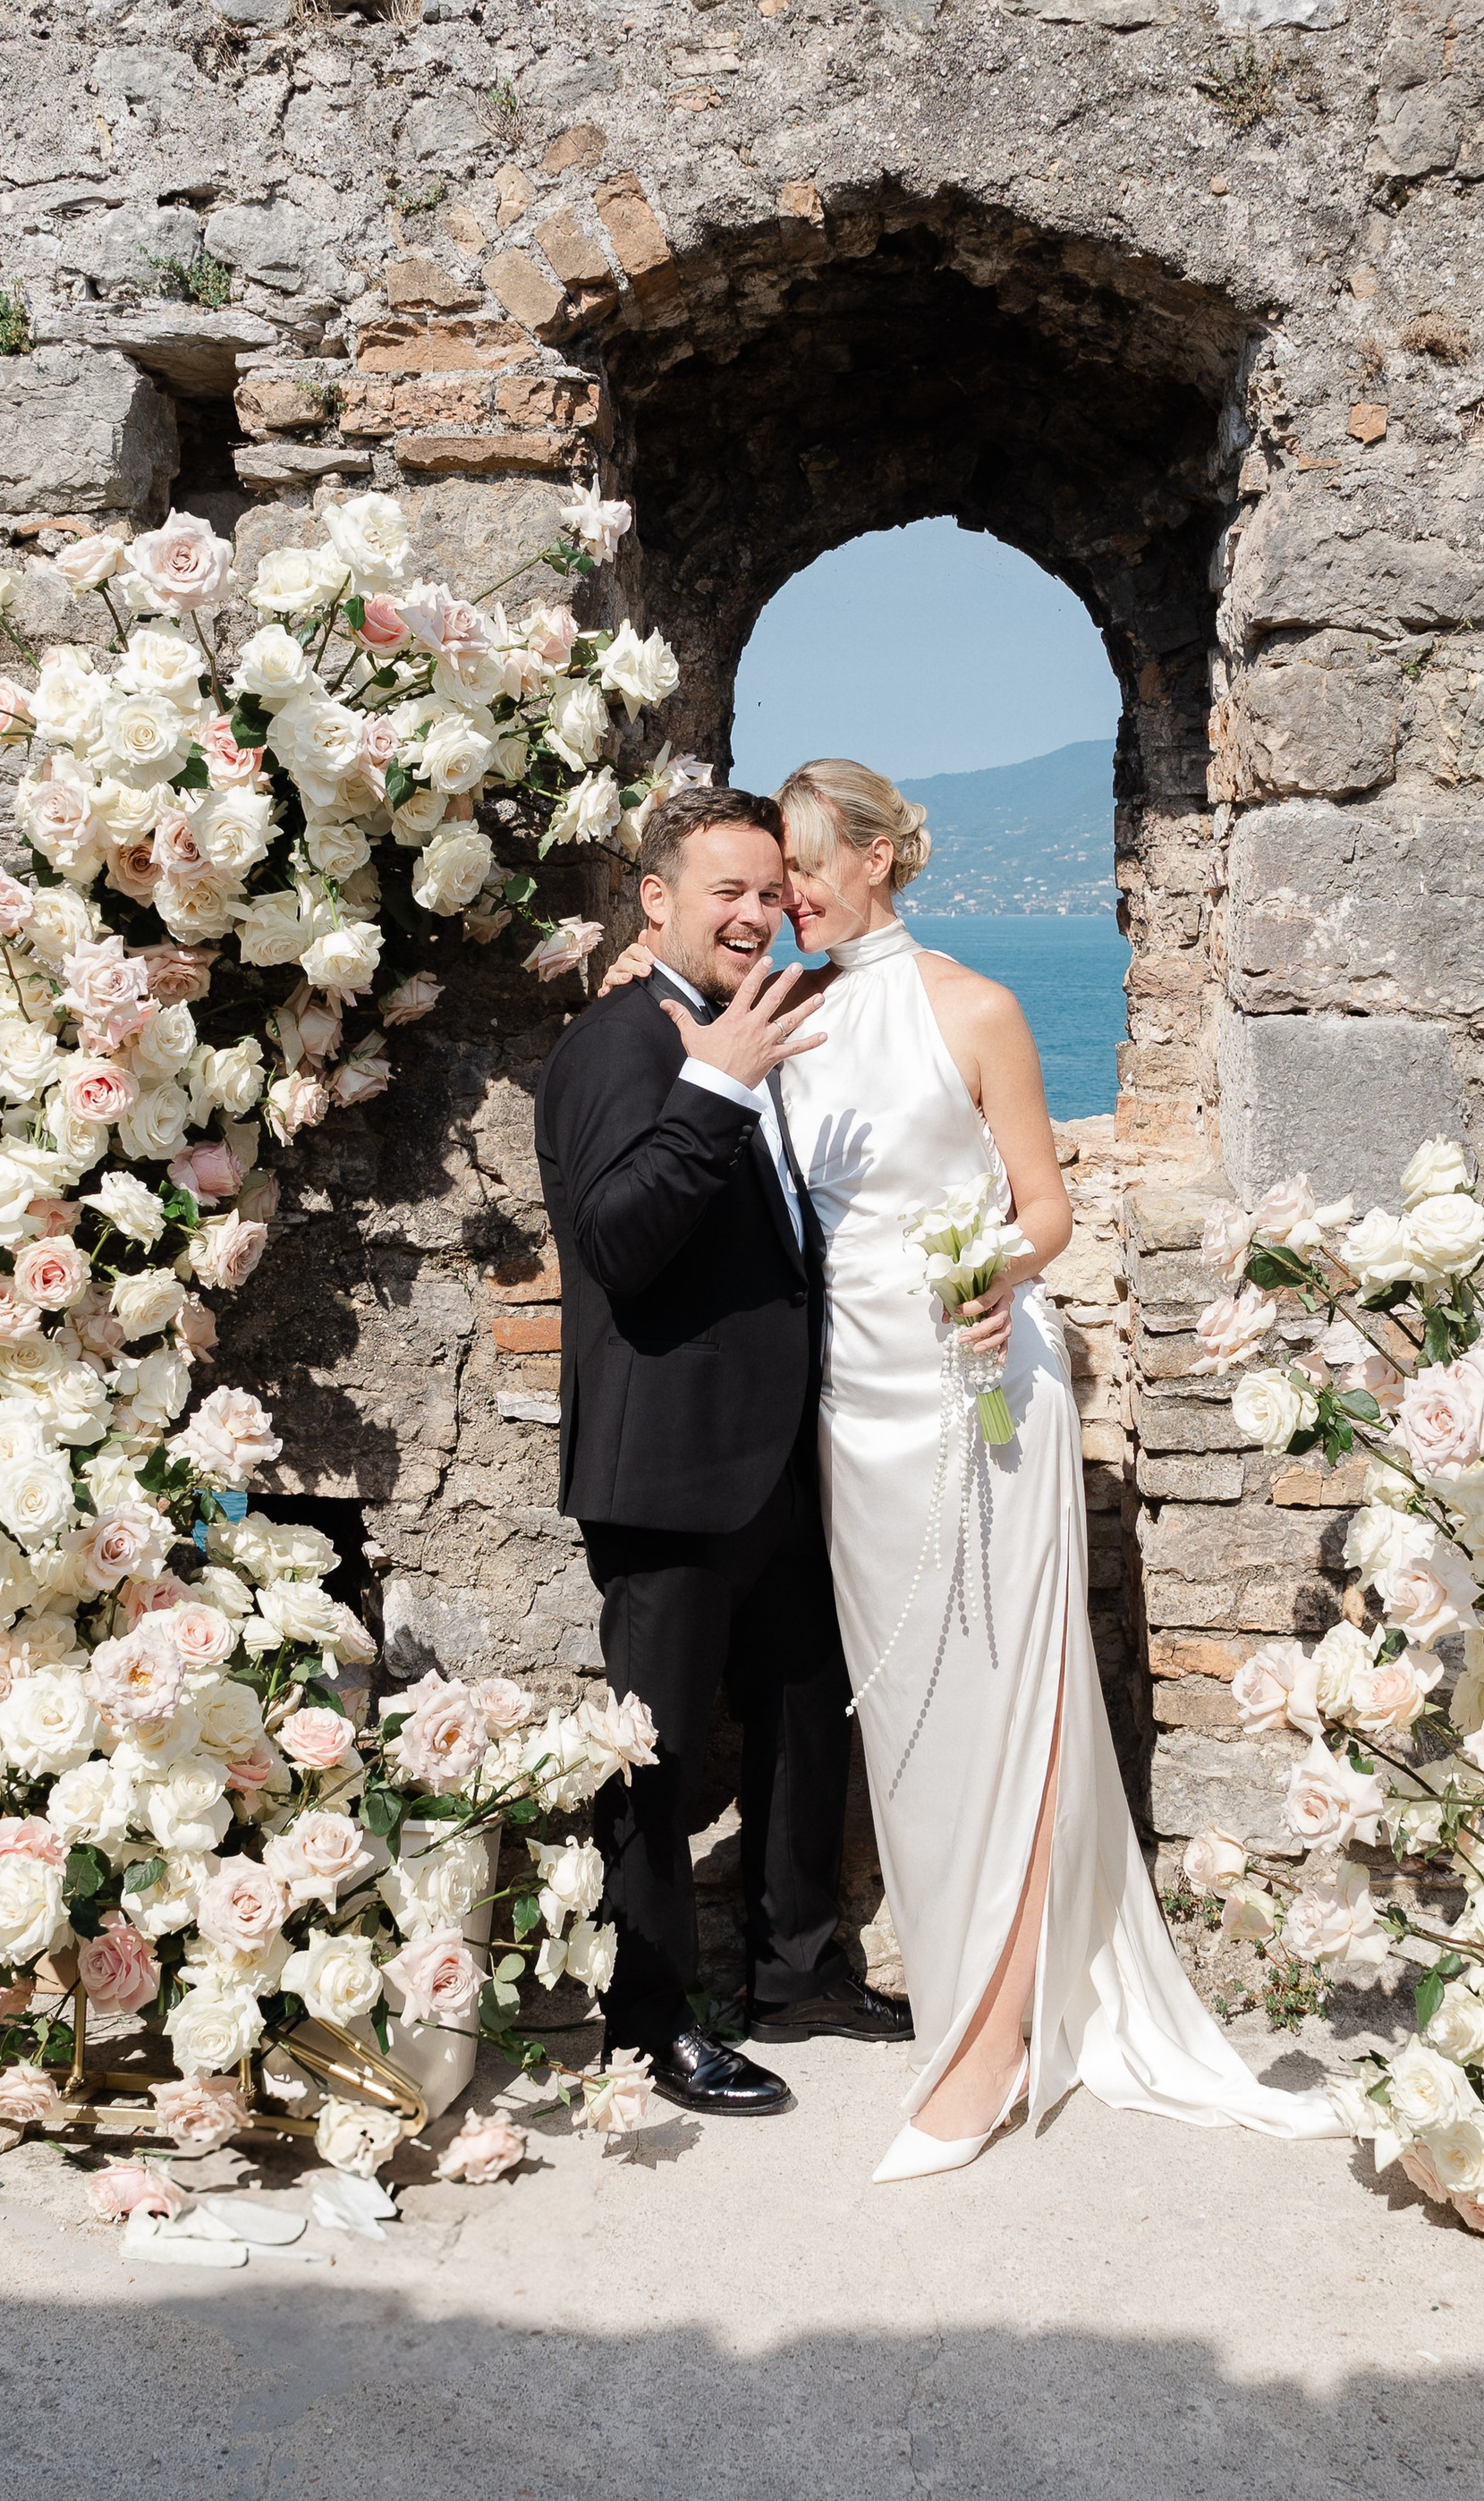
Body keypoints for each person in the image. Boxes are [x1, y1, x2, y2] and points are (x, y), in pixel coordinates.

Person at [604, 759, 1343, 2179]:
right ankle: (959, 1986)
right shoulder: (784, 1017)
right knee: (912, 1715)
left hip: (974, 1388)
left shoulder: (977, 1007)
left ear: (878, 858)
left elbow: (1045, 1204)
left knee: (1008, 1690)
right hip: (843, 1411)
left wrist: (999, 1271)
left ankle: (996, 2040)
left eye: (804, 867)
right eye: (761, 880)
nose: (783, 899)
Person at [532, 783, 915, 2115]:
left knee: (813, 1717)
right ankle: (647, 2025)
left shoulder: (731, 1030)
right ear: (657, 902)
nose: (758, 916)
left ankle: (795, 1968)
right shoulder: (618, 1049)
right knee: (660, 1754)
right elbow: (618, 1246)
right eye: (726, 893)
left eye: (772, 892)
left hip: (780, 1464)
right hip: (668, 1476)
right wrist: (715, 1088)